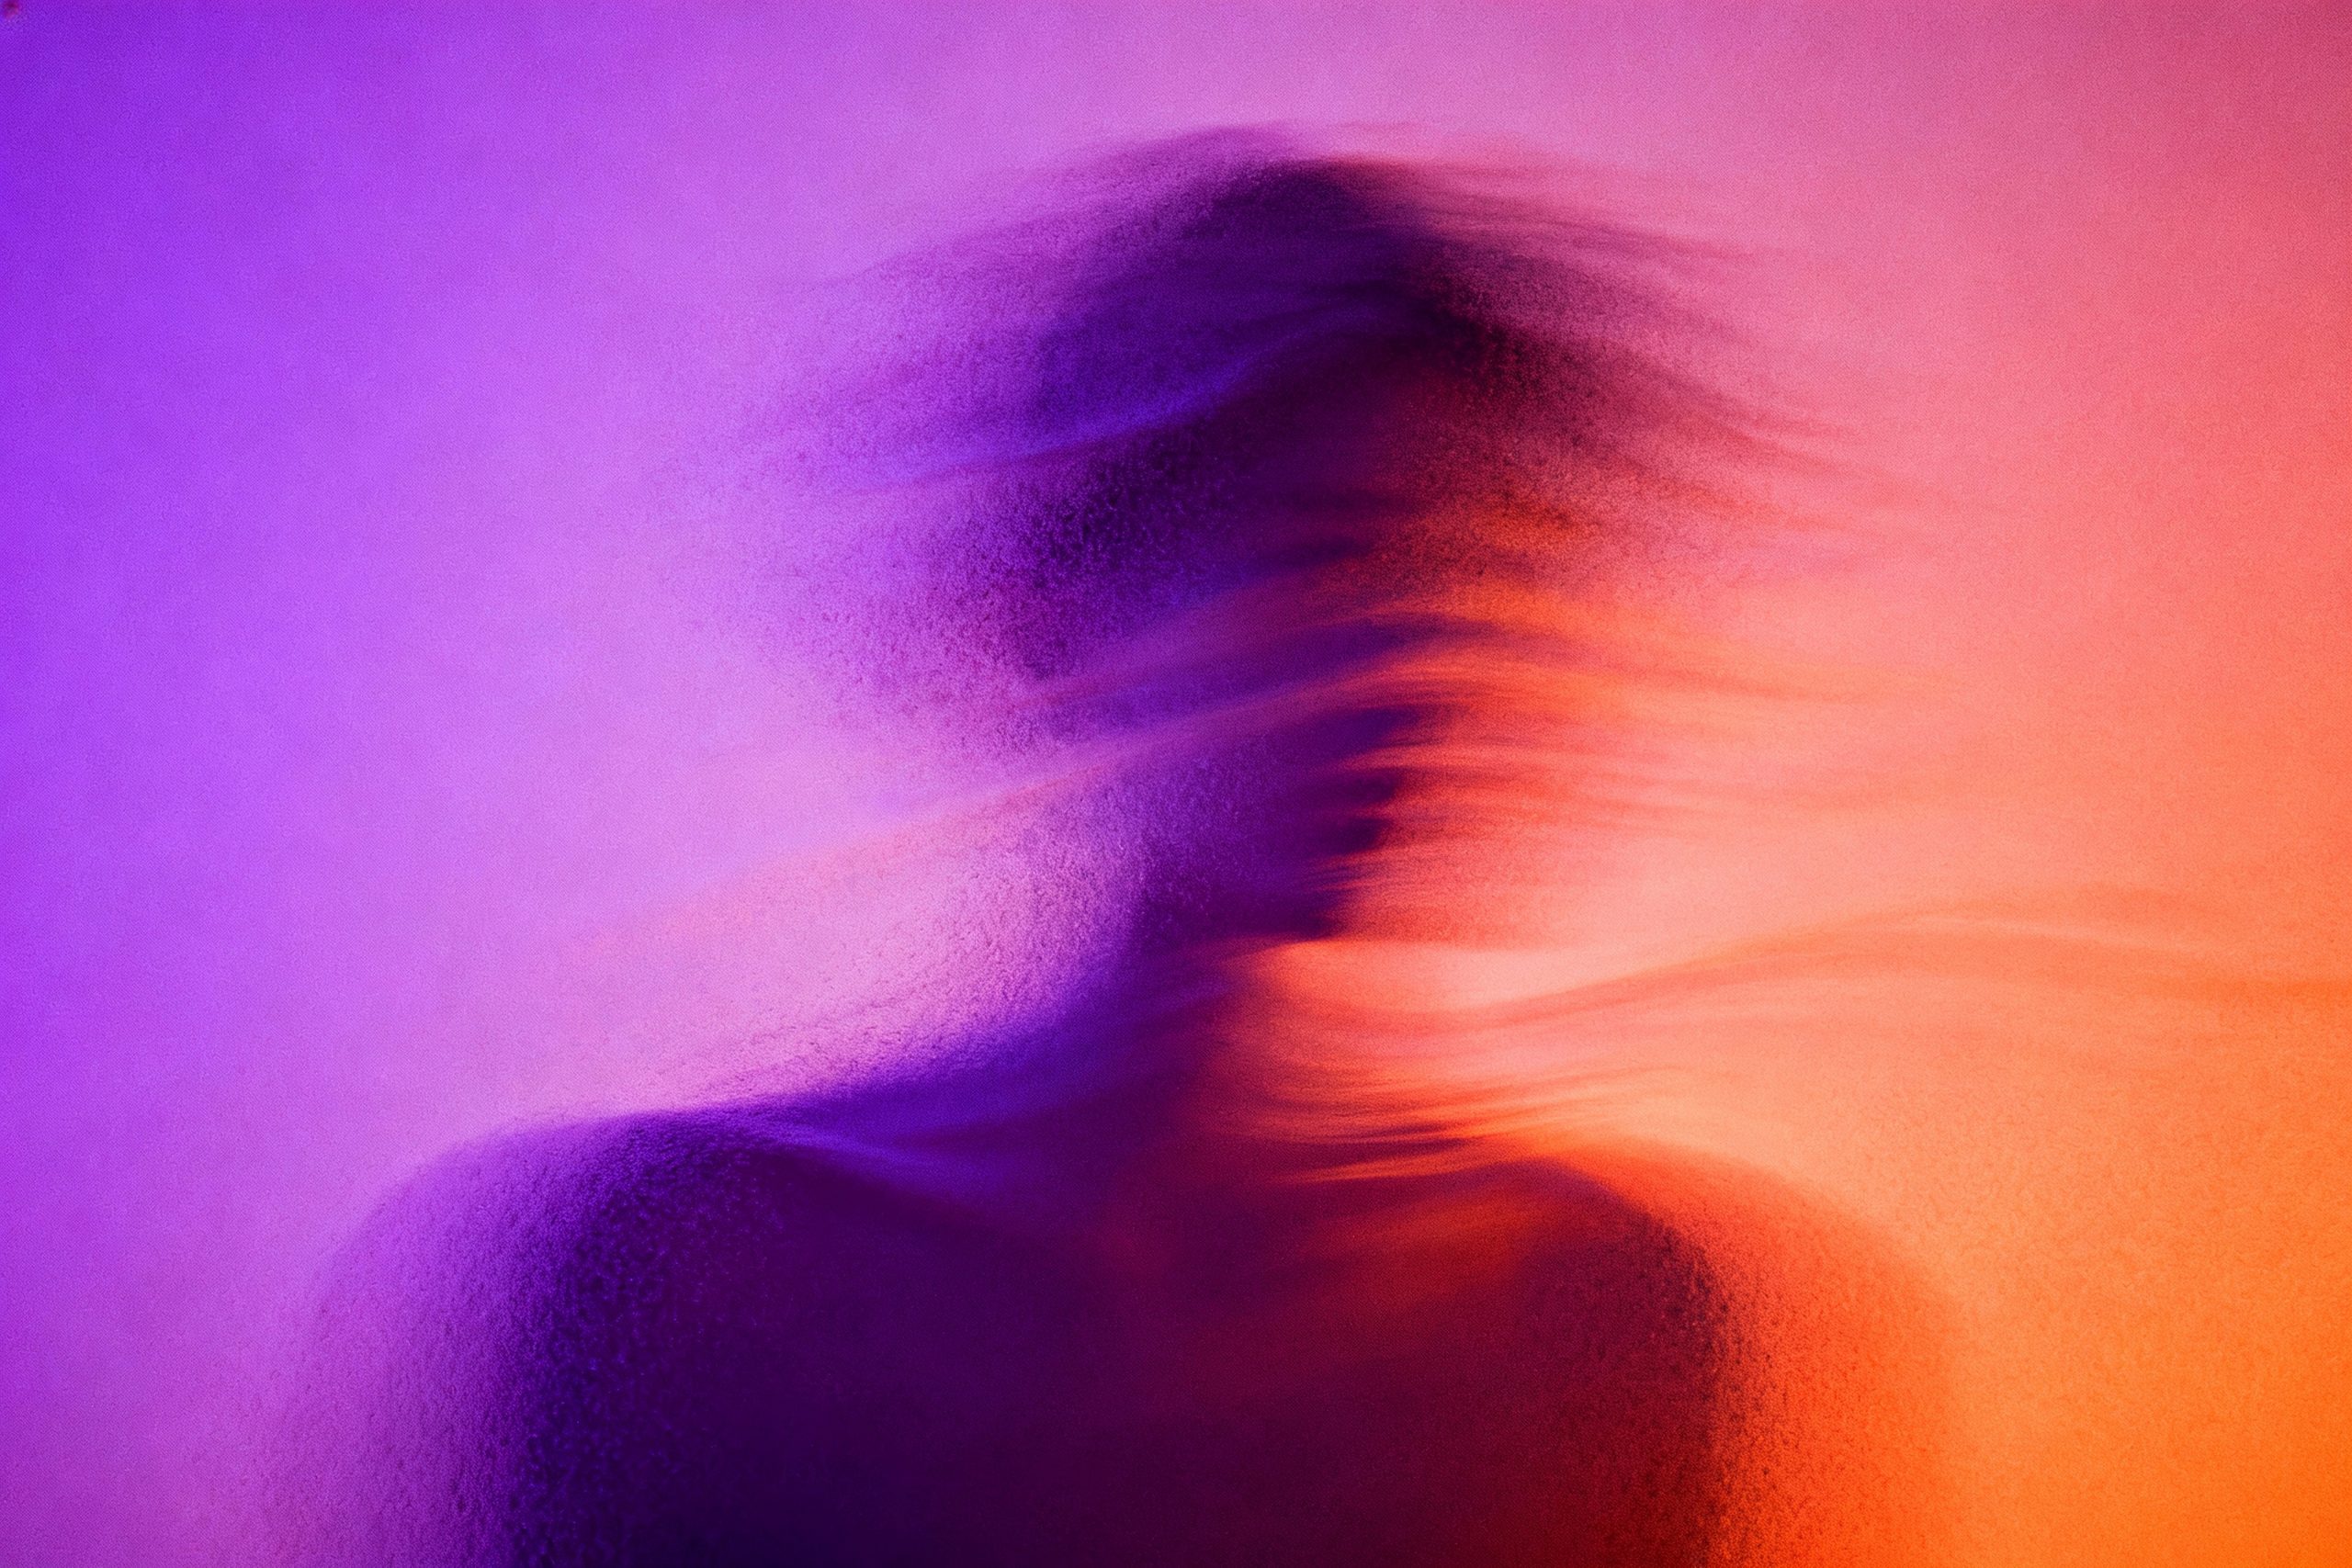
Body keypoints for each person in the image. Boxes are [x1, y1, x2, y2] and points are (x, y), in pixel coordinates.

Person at [289, 135, 1745, 1567]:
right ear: (1061, 619)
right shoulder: (684, 1275)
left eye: (1492, 571)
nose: (1424, 660)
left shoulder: (1614, 1313)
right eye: (1327, 553)